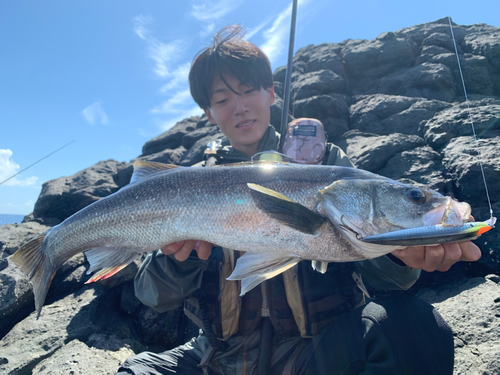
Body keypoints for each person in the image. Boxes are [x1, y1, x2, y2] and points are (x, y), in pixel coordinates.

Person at [117, 26, 481, 375]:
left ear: (270, 93)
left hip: (317, 353)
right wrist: (178, 261)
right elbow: (151, 293)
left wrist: (401, 257)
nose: (239, 107)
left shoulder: (330, 165)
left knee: (412, 327)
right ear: (209, 114)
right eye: (223, 100)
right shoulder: (188, 182)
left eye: (247, 90)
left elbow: (388, 280)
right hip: (215, 359)